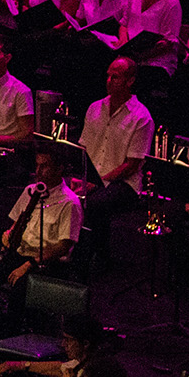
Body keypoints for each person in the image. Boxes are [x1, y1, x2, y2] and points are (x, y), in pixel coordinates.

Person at [0, 145, 83, 301]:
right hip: (20, 254)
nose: (38, 171)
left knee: (18, 293)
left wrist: (30, 264)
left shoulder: (70, 202)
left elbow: (64, 246)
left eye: (44, 166)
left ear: (59, 169)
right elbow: (18, 221)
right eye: (37, 165)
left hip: (46, 264)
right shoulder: (30, 190)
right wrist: (9, 234)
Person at [78, 58, 153, 259]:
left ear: (130, 81)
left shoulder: (141, 117)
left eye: (116, 77)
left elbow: (132, 164)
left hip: (123, 182)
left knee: (96, 203)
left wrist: (97, 182)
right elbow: (83, 147)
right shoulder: (95, 107)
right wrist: (81, 178)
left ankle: (96, 255)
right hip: (93, 177)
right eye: (108, 75)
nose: (109, 80)